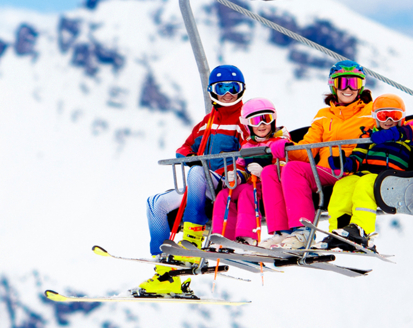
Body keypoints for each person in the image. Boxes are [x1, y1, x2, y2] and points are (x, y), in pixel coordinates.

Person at [137, 65, 248, 297]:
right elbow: (185, 147)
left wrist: (235, 171)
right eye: (221, 88)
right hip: (200, 184)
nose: (228, 93)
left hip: (225, 184)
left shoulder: (243, 120)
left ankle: (192, 240)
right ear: (212, 91)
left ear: (241, 90)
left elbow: (250, 150)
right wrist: (188, 156)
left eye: (233, 88)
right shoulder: (207, 122)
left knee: (197, 173)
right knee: (155, 203)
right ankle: (164, 268)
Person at [259, 60, 375, 249]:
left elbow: (391, 119)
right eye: (341, 82)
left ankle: (304, 231)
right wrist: (287, 148)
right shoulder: (323, 115)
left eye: (353, 83)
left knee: (293, 169)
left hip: (351, 168)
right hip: (325, 170)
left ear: (361, 86)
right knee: (272, 172)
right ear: (333, 85)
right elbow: (308, 150)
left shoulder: (371, 111)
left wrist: (412, 126)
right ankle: (282, 233)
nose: (348, 88)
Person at [321, 93, 413, 251]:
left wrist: (390, 135)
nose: (388, 120)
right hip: (367, 173)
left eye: (394, 116)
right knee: (342, 185)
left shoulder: (408, 131)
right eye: (383, 116)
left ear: (402, 117)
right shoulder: (368, 136)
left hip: (392, 177)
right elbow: (357, 158)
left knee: (365, 184)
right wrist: (344, 164)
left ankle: (361, 230)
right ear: (375, 117)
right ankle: (339, 230)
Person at [211, 98, 290, 244]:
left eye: (266, 119)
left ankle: (247, 237)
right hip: (251, 183)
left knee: (247, 192)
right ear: (247, 125)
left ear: (273, 120)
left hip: (271, 186)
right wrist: (237, 176)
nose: (262, 125)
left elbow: (285, 165)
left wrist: (265, 171)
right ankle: (222, 237)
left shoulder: (280, 142)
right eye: (255, 121)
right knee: (224, 194)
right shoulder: (247, 146)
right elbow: (241, 166)